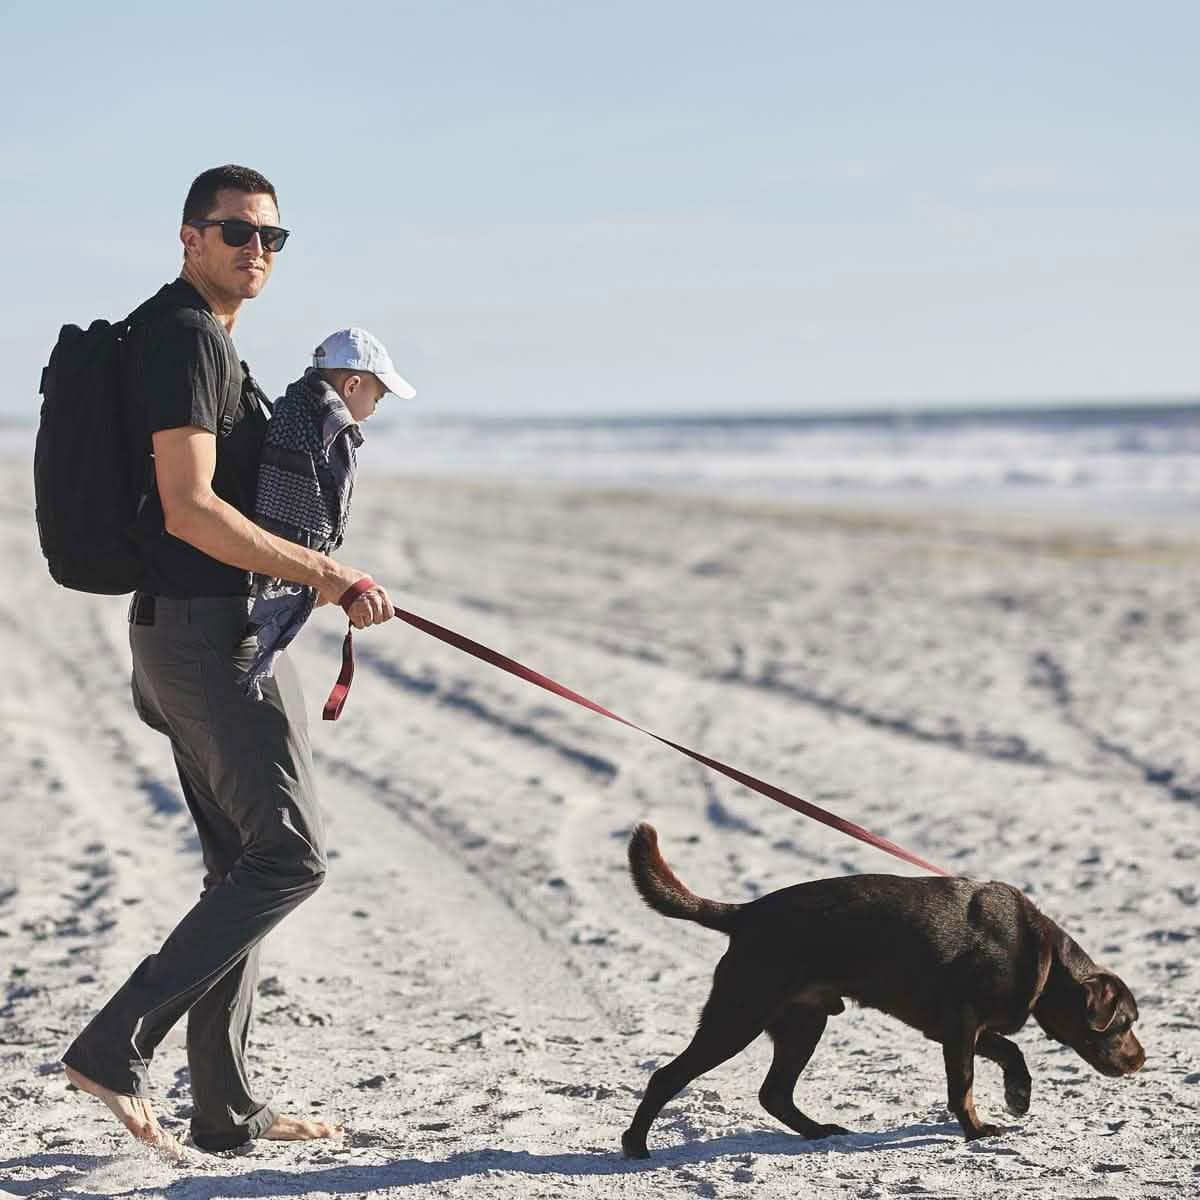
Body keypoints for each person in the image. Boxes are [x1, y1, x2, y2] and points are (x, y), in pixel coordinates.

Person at [60, 164, 395, 1160]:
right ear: (188, 237)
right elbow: (191, 507)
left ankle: (227, 1110)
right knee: (289, 856)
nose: (257, 251)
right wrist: (325, 573)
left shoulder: (200, 339)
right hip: (209, 636)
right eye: (237, 232)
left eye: (272, 239)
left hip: (192, 632)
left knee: (241, 867)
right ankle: (115, 1049)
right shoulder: (188, 340)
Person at [243, 328, 415, 702]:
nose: (375, 409)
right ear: (352, 385)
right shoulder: (323, 431)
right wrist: (332, 581)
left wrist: (338, 587)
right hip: (244, 624)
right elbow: (285, 553)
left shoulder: (295, 413)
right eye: (378, 396)